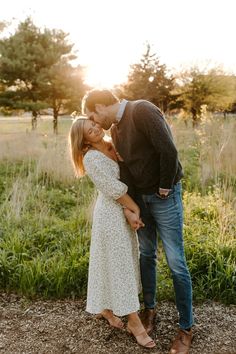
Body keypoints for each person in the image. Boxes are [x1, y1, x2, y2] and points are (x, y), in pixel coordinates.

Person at [82, 89, 194, 354]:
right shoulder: (117, 130)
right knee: (146, 255)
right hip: (141, 201)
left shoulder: (141, 109)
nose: (94, 122)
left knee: (176, 261)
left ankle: (186, 327)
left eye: (93, 115)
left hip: (164, 198)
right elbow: (127, 171)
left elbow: (168, 149)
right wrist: (132, 209)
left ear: (100, 106)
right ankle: (150, 311)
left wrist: (165, 186)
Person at [68, 117, 156, 349]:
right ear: (83, 139)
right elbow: (113, 189)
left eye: (94, 124)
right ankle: (134, 322)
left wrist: (130, 208)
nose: (96, 128)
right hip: (110, 215)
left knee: (116, 261)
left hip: (122, 209)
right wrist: (133, 207)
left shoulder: (112, 143)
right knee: (119, 265)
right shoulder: (91, 158)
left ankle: (106, 308)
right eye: (89, 130)